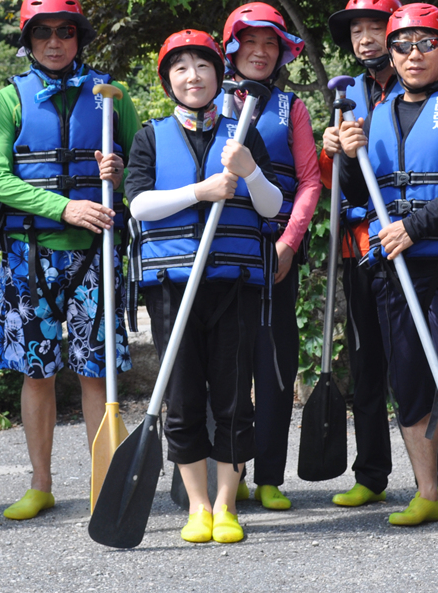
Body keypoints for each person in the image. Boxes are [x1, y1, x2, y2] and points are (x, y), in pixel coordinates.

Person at [336, 3, 438, 540]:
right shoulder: (375, 114)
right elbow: (360, 192)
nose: (413, 54)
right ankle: (428, 493)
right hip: (396, 267)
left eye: (426, 44)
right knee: (406, 382)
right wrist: (346, 157)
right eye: (402, 46)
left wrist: (415, 226)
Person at [0, 0, 136, 520]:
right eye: (43, 33)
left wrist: (120, 173)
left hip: (95, 255)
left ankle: (106, 481)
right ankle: (41, 483)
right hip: (29, 256)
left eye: (65, 31)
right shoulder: (8, 99)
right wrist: (64, 207)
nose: (54, 41)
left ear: (79, 38)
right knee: (37, 371)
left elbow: (141, 172)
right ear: (28, 41)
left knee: (97, 371)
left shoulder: (112, 96)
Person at [126, 28, 283, 544]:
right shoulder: (150, 137)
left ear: (219, 76)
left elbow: (271, 207)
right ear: (168, 81)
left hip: (233, 284)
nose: (192, 76)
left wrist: (250, 171)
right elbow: (138, 205)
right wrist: (202, 190)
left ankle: (225, 505)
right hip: (171, 286)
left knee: (235, 398)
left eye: (202, 67)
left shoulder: (244, 134)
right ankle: (197, 506)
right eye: (180, 68)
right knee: (184, 397)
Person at [218, 3, 320, 511]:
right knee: (226, 365)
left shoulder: (290, 107)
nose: (260, 52)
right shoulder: (207, 99)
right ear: (232, 48)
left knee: (275, 364)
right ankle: (229, 471)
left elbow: (310, 181)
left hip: (274, 251)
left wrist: (289, 243)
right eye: (251, 42)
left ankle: (270, 476)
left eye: (270, 44)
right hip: (221, 252)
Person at [318, 0, 401, 509]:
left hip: (409, 244)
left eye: (374, 27)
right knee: (366, 366)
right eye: (356, 31)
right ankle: (371, 474)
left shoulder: (421, 88)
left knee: (418, 364)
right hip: (360, 248)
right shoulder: (348, 93)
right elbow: (338, 185)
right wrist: (332, 153)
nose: (365, 38)